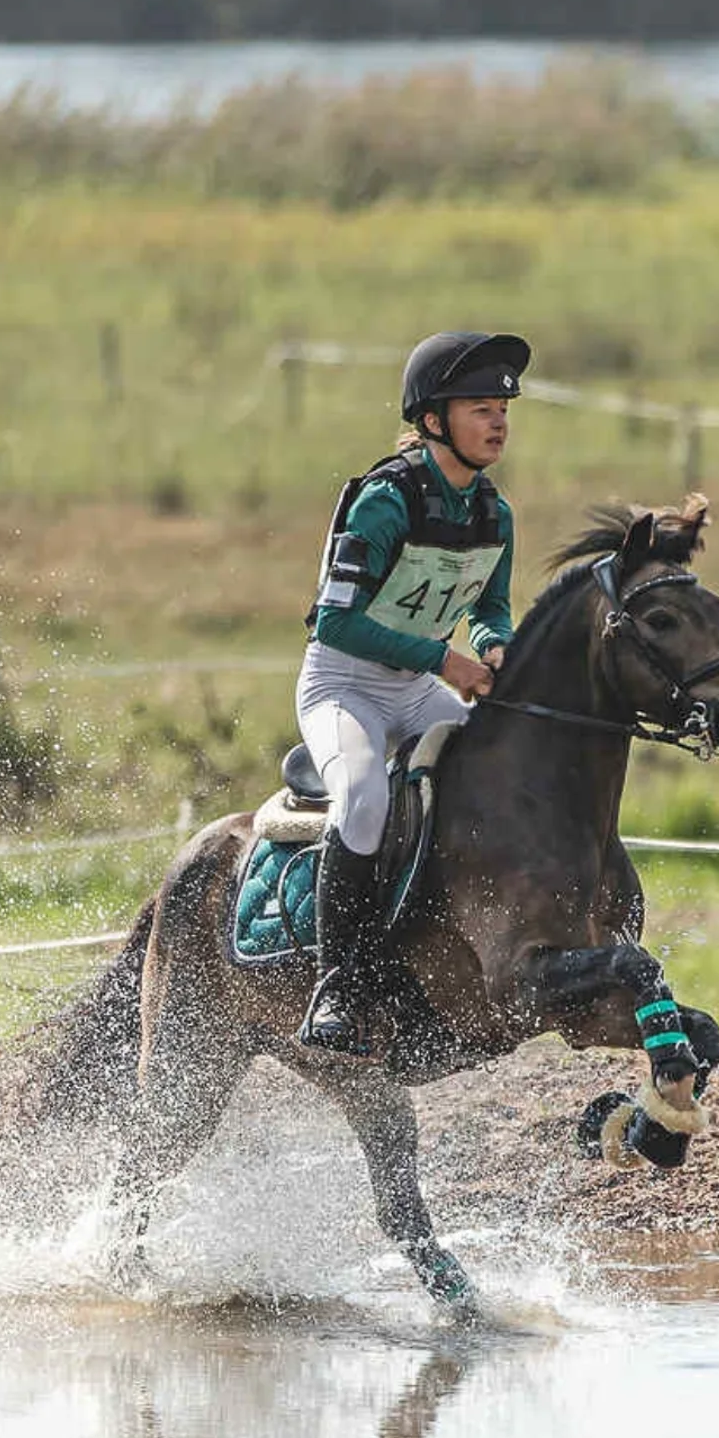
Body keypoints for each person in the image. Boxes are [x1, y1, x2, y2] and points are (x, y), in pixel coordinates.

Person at [296, 328, 530, 1051]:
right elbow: (334, 622)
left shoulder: (494, 513)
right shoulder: (384, 500)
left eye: (502, 408)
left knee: (504, 779)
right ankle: (336, 984)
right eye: (480, 407)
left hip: (418, 688)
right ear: (433, 421)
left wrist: (493, 645)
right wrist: (447, 661)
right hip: (345, 687)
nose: (498, 421)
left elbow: (488, 606)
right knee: (364, 795)